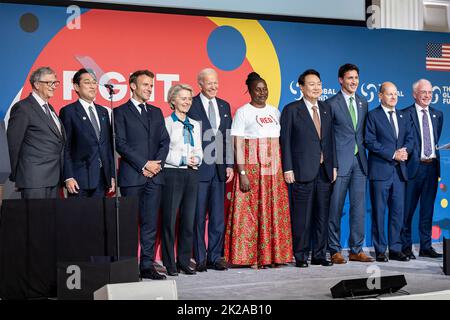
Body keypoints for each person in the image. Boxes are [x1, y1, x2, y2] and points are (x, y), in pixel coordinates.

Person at [225, 72, 292, 269]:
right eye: (258, 89)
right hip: (252, 170)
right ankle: (252, 258)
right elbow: (237, 144)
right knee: (251, 213)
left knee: (273, 212)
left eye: (265, 89)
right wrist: (242, 173)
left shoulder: (275, 111)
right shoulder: (243, 112)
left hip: (274, 170)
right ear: (250, 91)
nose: (262, 93)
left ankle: (272, 256)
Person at [114, 70, 170, 280]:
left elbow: (164, 142)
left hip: (155, 177)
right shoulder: (119, 112)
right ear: (133, 86)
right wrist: (144, 164)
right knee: (129, 224)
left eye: (151, 86)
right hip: (132, 176)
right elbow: (120, 143)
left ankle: (146, 265)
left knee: (149, 224)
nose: (149, 89)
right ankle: (128, 267)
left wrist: (156, 165)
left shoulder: (156, 112)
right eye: (145, 85)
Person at [280, 69, 337, 268]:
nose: (316, 88)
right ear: (301, 87)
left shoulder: (326, 109)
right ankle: (301, 255)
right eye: (311, 84)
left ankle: (320, 254)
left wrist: (334, 165)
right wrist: (288, 168)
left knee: (322, 216)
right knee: (302, 218)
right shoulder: (291, 110)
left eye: (319, 84)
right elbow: (285, 141)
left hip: (324, 171)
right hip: (301, 171)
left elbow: (330, 141)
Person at [326, 64, 374, 264]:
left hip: (360, 162)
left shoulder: (363, 102)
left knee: (358, 208)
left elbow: (361, 134)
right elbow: (327, 137)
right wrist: (332, 164)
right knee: (335, 208)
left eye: (356, 78)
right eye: (349, 78)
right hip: (340, 163)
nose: (354, 81)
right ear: (340, 80)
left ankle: (356, 249)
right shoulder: (331, 103)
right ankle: (335, 250)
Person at [188, 68, 233, 272]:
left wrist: (230, 164)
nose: (214, 86)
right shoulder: (192, 105)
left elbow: (228, 138)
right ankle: (199, 257)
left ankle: (215, 257)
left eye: (216, 82)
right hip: (199, 169)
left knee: (217, 217)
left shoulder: (224, 105)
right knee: (198, 216)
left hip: (220, 170)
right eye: (209, 83)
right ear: (200, 84)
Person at [365, 82, 414, 262]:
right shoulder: (373, 116)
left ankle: (395, 248)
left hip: (399, 173)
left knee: (397, 213)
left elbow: (410, 139)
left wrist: (404, 151)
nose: (393, 97)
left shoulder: (403, 116)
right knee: (379, 213)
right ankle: (379, 249)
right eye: (389, 94)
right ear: (380, 96)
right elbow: (369, 141)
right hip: (380, 172)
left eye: (395, 94)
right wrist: (393, 154)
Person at [161, 84, 203, 276]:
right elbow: (163, 152)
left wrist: (197, 159)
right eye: (183, 98)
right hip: (172, 174)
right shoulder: (166, 123)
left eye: (189, 98)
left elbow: (199, 150)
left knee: (188, 219)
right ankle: (169, 262)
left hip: (192, 174)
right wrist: (183, 160)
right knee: (169, 219)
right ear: (173, 101)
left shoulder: (195, 124)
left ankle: (184, 261)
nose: (187, 102)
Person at [7, 66, 65, 199]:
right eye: (49, 82)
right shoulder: (23, 108)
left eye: (55, 83)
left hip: (54, 178)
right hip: (34, 179)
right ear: (37, 84)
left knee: (51, 219)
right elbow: (13, 144)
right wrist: (17, 175)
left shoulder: (49, 108)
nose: (54, 86)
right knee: (36, 219)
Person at [401, 79, 444, 259]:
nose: (427, 96)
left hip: (431, 168)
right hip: (413, 169)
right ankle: (405, 247)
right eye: (423, 92)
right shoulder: (405, 114)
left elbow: (435, 138)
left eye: (430, 93)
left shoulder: (438, 114)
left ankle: (426, 246)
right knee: (407, 211)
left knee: (427, 210)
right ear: (414, 94)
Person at [59, 68, 115, 197]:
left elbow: (107, 146)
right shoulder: (69, 111)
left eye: (94, 82)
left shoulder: (103, 112)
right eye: (87, 82)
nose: (92, 86)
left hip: (102, 178)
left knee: (99, 217)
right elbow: (65, 148)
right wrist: (68, 176)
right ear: (76, 86)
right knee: (79, 217)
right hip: (78, 179)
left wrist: (111, 174)